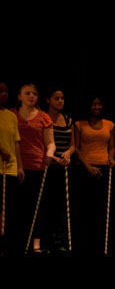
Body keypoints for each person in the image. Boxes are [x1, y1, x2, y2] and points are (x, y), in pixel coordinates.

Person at [13, 84, 56, 253]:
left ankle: (36, 241)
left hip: (38, 166)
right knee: (18, 205)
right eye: (27, 93)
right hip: (16, 166)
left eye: (35, 94)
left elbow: (50, 142)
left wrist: (50, 153)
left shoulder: (43, 117)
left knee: (37, 205)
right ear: (20, 96)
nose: (31, 96)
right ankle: (18, 238)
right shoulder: (12, 115)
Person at [73, 95, 115, 254]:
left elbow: (111, 146)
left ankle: (101, 244)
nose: (97, 107)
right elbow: (76, 148)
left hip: (104, 168)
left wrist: (111, 158)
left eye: (99, 104)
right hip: (85, 168)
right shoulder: (79, 124)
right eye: (94, 104)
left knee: (101, 208)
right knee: (86, 207)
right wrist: (88, 166)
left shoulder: (109, 124)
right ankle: (84, 244)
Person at [43, 88, 75, 252]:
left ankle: (60, 240)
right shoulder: (43, 118)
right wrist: (55, 158)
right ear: (48, 100)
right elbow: (41, 142)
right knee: (47, 204)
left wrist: (68, 154)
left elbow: (73, 144)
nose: (61, 101)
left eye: (62, 98)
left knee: (62, 206)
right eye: (56, 98)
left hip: (65, 167)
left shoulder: (68, 120)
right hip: (48, 166)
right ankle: (46, 241)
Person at [0, 82, 23, 254]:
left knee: (10, 209)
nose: (4, 94)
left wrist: (20, 167)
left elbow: (16, 142)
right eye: (1, 91)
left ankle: (7, 244)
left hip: (10, 166)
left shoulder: (11, 115)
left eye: (6, 91)